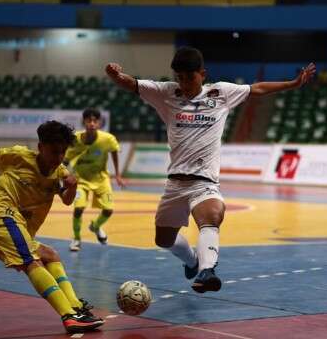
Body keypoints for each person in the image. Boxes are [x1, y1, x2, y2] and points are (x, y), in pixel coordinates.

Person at [105, 46, 315, 293]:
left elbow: (256, 89)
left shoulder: (221, 93)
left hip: (204, 182)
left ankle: (207, 271)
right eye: (179, 78)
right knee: (163, 239)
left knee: (212, 216)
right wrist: (117, 76)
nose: (183, 83)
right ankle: (192, 261)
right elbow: (134, 84)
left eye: (189, 77)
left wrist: (291, 84)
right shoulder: (166, 93)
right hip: (174, 184)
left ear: (202, 74)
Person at [0, 120, 104, 333]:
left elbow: (68, 200)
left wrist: (72, 187)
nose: (59, 157)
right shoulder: (20, 156)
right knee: (32, 262)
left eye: (63, 152)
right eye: (54, 151)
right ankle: (69, 316)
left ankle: (76, 307)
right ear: (41, 147)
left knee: (49, 255)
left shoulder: (59, 172)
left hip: (9, 226)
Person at [64, 108, 125, 251]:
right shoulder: (75, 140)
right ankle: (76, 239)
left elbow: (114, 152)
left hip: (101, 179)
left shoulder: (107, 139)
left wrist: (117, 174)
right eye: (88, 120)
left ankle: (95, 226)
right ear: (84, 122)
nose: (92, 123)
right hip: (81, 179)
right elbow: (65, 160)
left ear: (99, 123)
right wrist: (60, 175)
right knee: (78, 208)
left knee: (108, 210)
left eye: (95, 121)